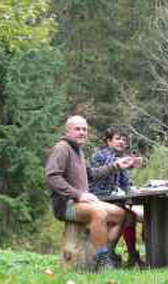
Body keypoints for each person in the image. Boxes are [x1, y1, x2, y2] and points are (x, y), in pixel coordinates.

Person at [45, 115, 135, 271]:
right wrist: (78, 195)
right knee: (98, 212)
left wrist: (116, 165)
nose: (82, 132)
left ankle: (102, 253)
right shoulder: (62, 148)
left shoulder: (79, 151)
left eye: (84, 129)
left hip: (81, 202)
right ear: (68, 131)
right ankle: (103, 262)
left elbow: (92, 174)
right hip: (66, 205)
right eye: (77, 129)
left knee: (122, 214)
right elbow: (52, 177)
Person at [89, 126, 144, 267]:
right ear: (109, 141)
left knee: (144, 214)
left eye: (124, 140)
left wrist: (135, 189)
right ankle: (109, 254)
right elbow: (106, 167)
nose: (121, 142)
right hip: (98, 198)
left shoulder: (121, 158)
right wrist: (128, 163)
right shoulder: (101, 155)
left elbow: (126, 183)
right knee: (128, 216)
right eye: (117, 139)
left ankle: (132, 255)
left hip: (114, 199)